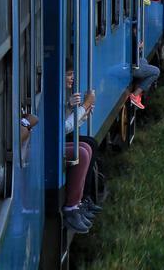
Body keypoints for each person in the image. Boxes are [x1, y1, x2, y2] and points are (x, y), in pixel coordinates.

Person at [64, 71, 103, 224]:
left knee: (91, 143)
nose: (72, 78)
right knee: (83, 151)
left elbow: (68, 125)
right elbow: (65, 127)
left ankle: (83, 199)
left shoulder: (66, 93)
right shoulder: (56, 93)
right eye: (68, 74)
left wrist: (83, 113)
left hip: (59, 137)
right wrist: (84, 106)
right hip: (54, 141)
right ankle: (72, 207)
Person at [128, 38, 160, 110]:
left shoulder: (129, 35)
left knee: (143, 60)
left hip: (130, 64)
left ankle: (138, 92)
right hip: (129, 67)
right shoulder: (129, 35)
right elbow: (129, 53)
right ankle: (135, 95)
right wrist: (138, 47)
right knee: (156, 72)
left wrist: (138, 48)